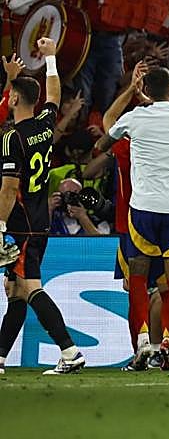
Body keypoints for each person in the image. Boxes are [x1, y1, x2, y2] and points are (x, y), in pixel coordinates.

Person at [96, 64, 169, 372]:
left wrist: (133, 98)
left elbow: (103, 139)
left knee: (140, 281)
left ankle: (143, 345)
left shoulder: (135, 119)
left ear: (146, 91)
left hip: (142, 211)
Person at [0, 43, 88, 375]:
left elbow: (9, 188)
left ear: (13, 99)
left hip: (20, 223)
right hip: (40, 218)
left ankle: (70, 351)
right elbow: (54, 92)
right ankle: (1, 358)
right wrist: (50, 56)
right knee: (15, 292)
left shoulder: (12, 138)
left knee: (29, 288)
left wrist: (0, 226)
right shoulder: (45, 126)